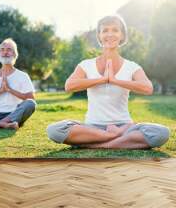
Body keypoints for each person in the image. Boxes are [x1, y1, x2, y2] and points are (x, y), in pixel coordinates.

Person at [46, 15, 169, 149]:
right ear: (99, 36)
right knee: (54, 130)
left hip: (123, 126)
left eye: (115, 30)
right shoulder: (86, 65)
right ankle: (115, 140)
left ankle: (94, 145)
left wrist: (115, 81)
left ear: (122, 35)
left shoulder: (132, 66)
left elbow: (147, 88)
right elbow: (69, 86)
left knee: (162, 133)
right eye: (105, 30)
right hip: (92, 127)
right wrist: (103, 79)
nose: (110, 34)